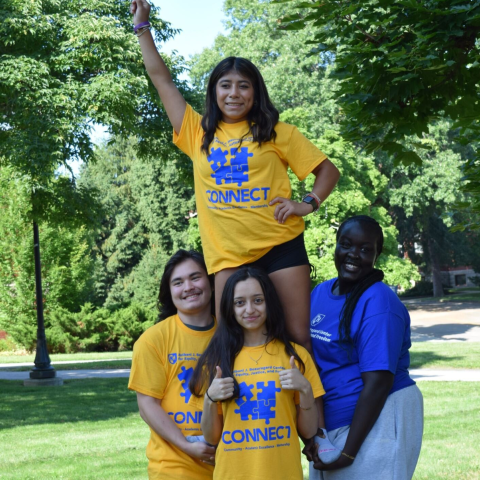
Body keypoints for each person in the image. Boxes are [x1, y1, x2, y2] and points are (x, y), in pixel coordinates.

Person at [129, 0, 341, 353]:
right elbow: (160, 79)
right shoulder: (195, 132)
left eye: (243, 86)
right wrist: (142, 26)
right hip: (228, 256)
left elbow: (327, 171)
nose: (234, 93)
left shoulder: (278, 132)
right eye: (225, 85)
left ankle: (308, 409)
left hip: (281, 247)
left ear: (254, 92)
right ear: (214, 91)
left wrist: (307, 203)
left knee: (297, 339)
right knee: (229, 344)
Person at [189, 267, 336, 480]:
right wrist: (210, 400)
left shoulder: (295, 355)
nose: (249, 309)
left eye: (258, 300)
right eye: (240, 302)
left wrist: (305, 389)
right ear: (230, 308)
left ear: (269, 303)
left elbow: (308, 431)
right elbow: (212, 437)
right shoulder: (216, 361)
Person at [306, 216, 424, 480]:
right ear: (336, 246)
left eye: (365, 249)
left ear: (376, 254)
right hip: (331, 425)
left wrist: (348, 452)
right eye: (347, 245)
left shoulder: (379, 302)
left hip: (375, 420)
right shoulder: (320, 293)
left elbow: (378, 382)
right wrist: (316, 432)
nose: (354, 255)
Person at [128, 250, 217, 480]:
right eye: (178, 282)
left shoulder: (232, 334)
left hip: (230, 465)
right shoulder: (153, 340)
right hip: (174, 469)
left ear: (211, 281)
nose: (188, 287)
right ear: (169, 292)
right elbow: (147, 405)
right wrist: (186, 446)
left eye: (195, 277)